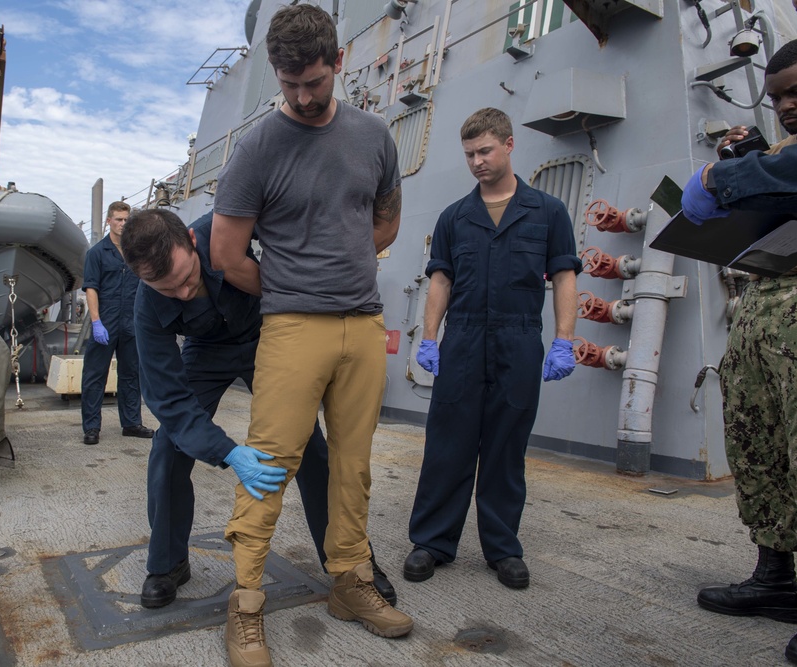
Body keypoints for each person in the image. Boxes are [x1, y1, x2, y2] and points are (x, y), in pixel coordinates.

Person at [209, 5, 413, 665]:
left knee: (353, 466)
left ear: (338, 64)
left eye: (314, 83)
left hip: (363, 322)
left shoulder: (375, 136)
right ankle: (244, 604)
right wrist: (294, 289)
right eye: (289, 83)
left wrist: (341, 271)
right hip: (294, 326)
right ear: (277, 73)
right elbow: (228, 253)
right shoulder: (258, 147)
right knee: (269, 466)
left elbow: (383, 221)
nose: (301, 97)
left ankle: (349, 583)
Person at [120, 209, 396, 609]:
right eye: (167, 289)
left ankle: (347, 563)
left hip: (267, 336)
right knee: (168, 448)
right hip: (207, 351)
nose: (181, 294)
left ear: (194, 242)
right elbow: (169, 400)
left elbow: (292, 231)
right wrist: (227, 451)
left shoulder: (224, 226)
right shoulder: (146, 305)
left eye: (186, 278)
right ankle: (168, 563)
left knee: (312, 447)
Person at [402, 108, 580, 590]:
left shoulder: (547, 212)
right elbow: (440, 279)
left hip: (519, 338)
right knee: (448, 443)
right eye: (469, 155)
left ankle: (503, 549)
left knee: (506, 447)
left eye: (485, 151)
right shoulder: (454, 217)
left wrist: (564, 339)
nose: (477, 161)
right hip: (462, 340)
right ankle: (432, 542)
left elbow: (564, 275)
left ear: (508, 144)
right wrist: (430, 337)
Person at [681, 39, 797, 666]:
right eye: (778, 97)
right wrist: (748, 161)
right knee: (759, 442)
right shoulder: (779, 150)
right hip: (765, 300)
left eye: (796, 92)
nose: (786, 106)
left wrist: (717, 175)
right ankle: (776, 576)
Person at [80, 201, 154, 445]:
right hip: (106, 321)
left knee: (131, 374)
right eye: (118, 219)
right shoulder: (97, 253)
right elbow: (91, 288)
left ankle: (131, 423)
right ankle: (91, 427)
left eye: (126, 220)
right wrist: (96, 322)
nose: (122, 224)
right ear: (108, 221)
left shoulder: (137, 252)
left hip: (132, 322)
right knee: (94, 375)